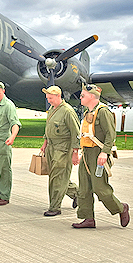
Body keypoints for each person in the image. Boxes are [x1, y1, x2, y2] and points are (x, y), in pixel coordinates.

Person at [72, 84, 130, 228]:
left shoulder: (103, 112)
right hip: (86, 154)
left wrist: (105, 152)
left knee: (100, 188)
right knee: (84, 189)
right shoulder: (87, 112)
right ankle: (88, 218)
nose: (80, 97)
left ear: (92, 96)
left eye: (83, 95)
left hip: (98, 154)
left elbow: (111, 134)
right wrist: (81, 152)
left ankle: (121, 208)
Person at [40, 86, 79, 216]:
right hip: (51, 147)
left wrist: (75, 153)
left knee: (57, 178)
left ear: (58, 96)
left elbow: (76, 133)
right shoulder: (52, 109)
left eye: (50, 98)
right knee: (57, 177)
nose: (48, 100)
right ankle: (78, 194)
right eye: (47, 98)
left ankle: (54, 207)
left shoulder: (68, 112)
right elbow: (48, 128)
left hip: (63, 149)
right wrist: (44, 144)